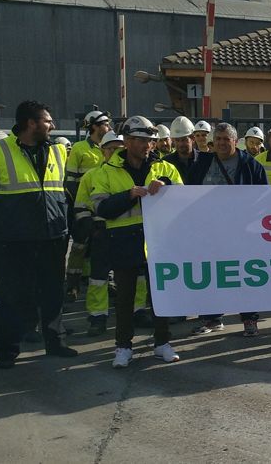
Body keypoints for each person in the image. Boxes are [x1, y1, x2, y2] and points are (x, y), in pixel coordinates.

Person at [0, 100, 78, 368]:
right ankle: (8, 351)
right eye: (47, 121)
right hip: (13, 239)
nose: (52, 126)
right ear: (31, 123)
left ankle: (55, 342)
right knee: (11, 296)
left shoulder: (58, 151)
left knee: (53, 292)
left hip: (53, 236)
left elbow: (63, 193)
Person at [89, 116, 182, 367]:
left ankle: (162, 343)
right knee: (125, 299)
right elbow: (102, 208)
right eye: (142, 140)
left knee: (160, 295)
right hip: (122, 241)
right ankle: (123, 347)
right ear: (127, 142)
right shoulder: (106, 171)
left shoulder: (164, 167)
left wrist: (167, 185)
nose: (147, 146)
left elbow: (182, 197)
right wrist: (129, 195)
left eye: (150, 141)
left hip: (157, 241)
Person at [187, 123, 268, 336]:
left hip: (241, 231)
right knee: (210, 273)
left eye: (226, 139)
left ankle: (249, 319)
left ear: (235, 141)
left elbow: (263, 199)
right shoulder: (201, 163)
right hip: (208, 231)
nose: (222, 143)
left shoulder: (251, 165)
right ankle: (212, 318)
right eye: (219, 139)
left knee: (244, 274)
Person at [75, 131, 125, 336]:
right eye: (111, 148)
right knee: (98, 278)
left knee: (135, 276)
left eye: (119, 149)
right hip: (101, 234)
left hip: (126, 234)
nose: (114, 152)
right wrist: (91, 229)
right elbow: (80, 206)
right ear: (103, 151)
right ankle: (97, 317)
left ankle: (138, 311)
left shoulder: (130, 174)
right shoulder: (91, 176)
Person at [65, 108, 113, 300]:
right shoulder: (79, 148)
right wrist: (81, 207)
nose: (108, 127)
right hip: (84, 207)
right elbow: (70, 181)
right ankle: (72, 286)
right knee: (79, 247)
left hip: (104, 207)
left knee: (101, 247)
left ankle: (104, 282)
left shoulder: (110, 146)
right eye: (105, 124)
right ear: (94, 126)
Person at [163, 116, 200, 182]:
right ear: (173, 140)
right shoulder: (166, 162)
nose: (180, 144)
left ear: (193, 138)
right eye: (177, 140)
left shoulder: (204, 160)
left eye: (184, 140)